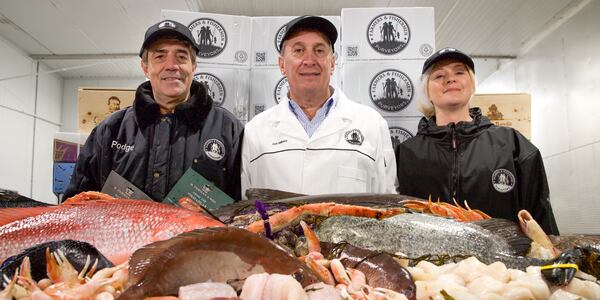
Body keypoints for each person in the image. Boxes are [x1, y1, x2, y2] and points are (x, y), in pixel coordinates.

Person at [64, 19, 244, 202]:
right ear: (145, 67)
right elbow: (76, 203)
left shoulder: (228, 129)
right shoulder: (111, 130)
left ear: (193, 67)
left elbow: (244, 206)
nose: (171, 65)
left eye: (181, 57)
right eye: (160, 56)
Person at [396, 47, 559, 234]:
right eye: (439, 76)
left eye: (459, 72)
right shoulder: (407, 153)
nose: (451, 78)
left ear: (472, 85)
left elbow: (541, 219)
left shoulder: (513, 145)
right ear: (427, 92)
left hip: (503, 262)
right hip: (428, 263)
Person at [241, 16, 396, 197]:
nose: (309, 60)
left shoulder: (371, 124)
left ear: (332, 63)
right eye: (298, 50)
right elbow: (247, 206)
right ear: (282, 64)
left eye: (319, 50)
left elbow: (388, 202)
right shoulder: (256, 130)